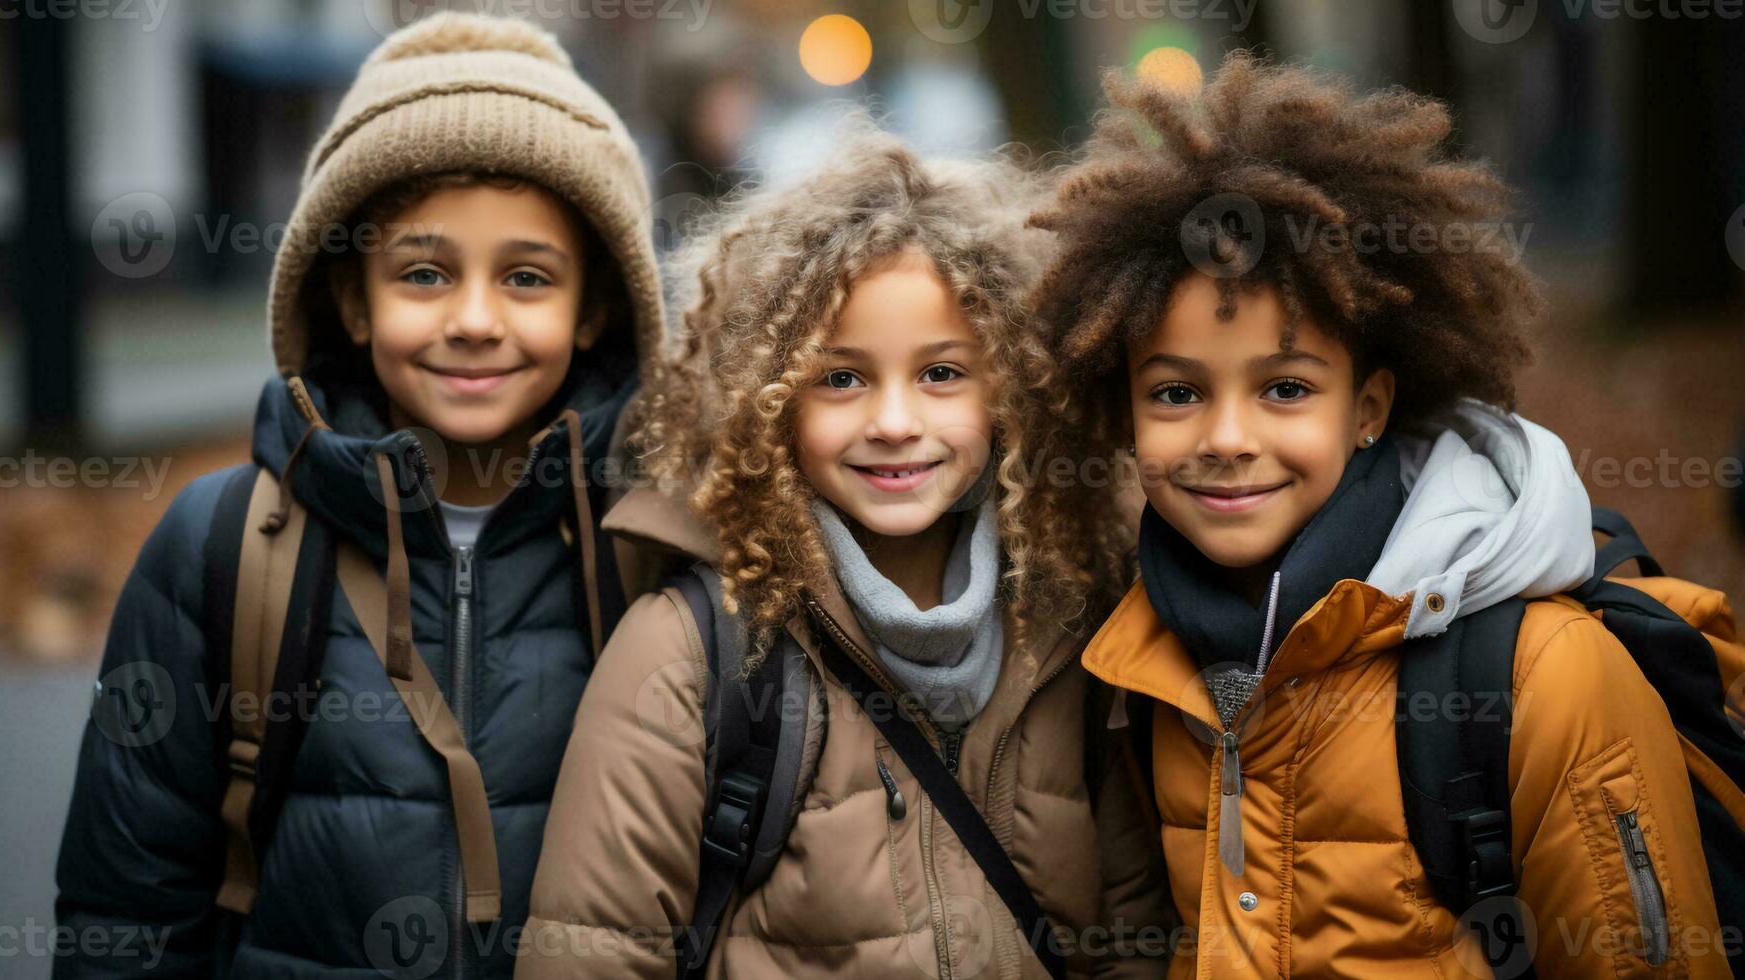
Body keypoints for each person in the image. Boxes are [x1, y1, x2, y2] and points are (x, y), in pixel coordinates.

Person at [1028, 53, 1728, 977]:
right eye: (1174, 393)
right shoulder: (1137, 671)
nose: (1226, 437)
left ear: (1367, 409)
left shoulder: (1541, 677)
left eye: (1284, 388)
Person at [54, 13, 663, 977]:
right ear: (350, 297)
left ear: (594, 307)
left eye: (526, 277)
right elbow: (126, 913)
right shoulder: (220, 549)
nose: (473, 319)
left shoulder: (661, 550)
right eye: (423, 273)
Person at [516, 126, 1170, 977]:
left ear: (1013, 386)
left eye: (941, 374)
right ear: (768, 399)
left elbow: (1130, 942)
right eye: (841, 378)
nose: (894, 422)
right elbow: (593, 953)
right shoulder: (687, 648)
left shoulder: (1065, 623)